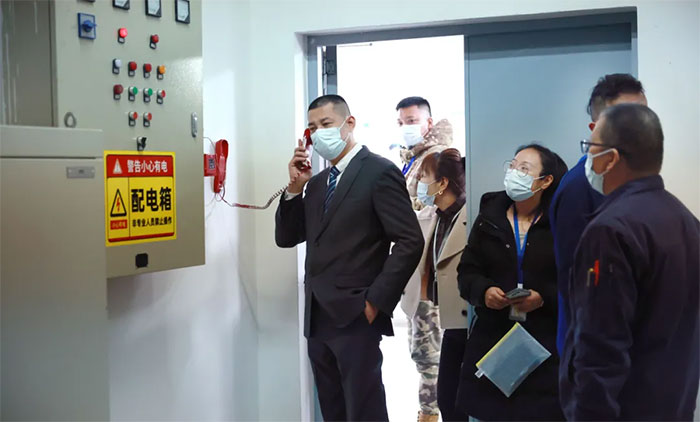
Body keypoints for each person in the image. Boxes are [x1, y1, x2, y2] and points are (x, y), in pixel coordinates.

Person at [275, 94, 424, 422]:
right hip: (318, 315)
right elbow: (286, 238)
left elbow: (410, 240)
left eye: (326, 124)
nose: (319, 133)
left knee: (364, 408)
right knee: (333, 408)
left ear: (349, 123)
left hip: (357, 312)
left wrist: (376, 301)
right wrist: (295, 189)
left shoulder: (379, 172)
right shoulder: (317, 184)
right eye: (313, 128)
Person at [560, 104, 700, 420]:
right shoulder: (687, 221)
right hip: (675, 406)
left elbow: (600, 345)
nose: (588, 156)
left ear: (610, 158)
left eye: (591, 146)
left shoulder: (610, 231)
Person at [457, 144, 567, 421]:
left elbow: (574, 282)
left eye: (524, 169)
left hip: (543, 345)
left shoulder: (561, 221)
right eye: (513, 165)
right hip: (493, 340)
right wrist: (484, 291)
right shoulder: (489, 217)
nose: (514, 172)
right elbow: (467, 272)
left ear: (545, 181)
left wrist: (543, 298)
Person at [550, 74, 647, 355]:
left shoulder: (634, 181)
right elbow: (581, 288)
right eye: (626, 120)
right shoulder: (580, 188)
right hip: (598, 355)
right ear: (596, 129)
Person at [396, 96, 453, 422]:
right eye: (401, 122)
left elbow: (433, 215)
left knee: (430, 353)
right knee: (424, 351)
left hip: (428, 271)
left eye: (412, 120)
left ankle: (430, 413)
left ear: (429, 123)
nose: (406, 127)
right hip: (417, 269)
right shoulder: (414, 159)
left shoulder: (437, 159)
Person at [413, 149, 470, 421]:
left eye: (424, 176)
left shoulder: (469, 215)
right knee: (446, 399)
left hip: (468, 321)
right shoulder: (436, 216)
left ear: (443, 183)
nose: (419, 182)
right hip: (448, 320)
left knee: (458, 401)